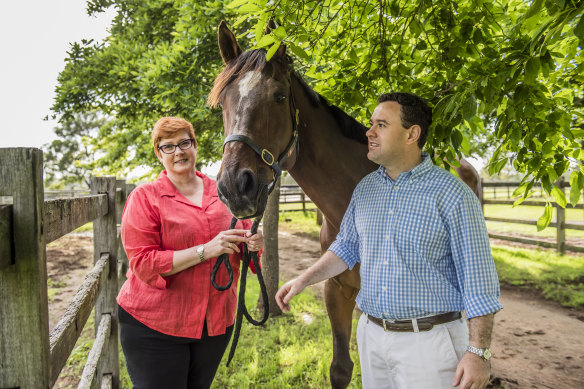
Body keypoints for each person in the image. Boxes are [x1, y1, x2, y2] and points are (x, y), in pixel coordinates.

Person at [276, 93, 502, 389]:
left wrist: (478, 353)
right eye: (371, 124)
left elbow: (480, 282)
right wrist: (304, 280)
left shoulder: (452, 194)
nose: (369, 132)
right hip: (372, 337)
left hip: (429, 343)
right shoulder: (366, 189)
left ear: (412, 134)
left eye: (381, 125)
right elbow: (345, 248)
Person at [117, 117, 264, 389]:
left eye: (184, 143)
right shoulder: (144, 197)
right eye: (168, 147)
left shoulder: (224, 192)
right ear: (158, 154)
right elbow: (143, 263)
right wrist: (205, 251)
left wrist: (254, 242)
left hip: (214, 322)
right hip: (155, 325)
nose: (178, 152)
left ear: (195, 145)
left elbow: (244, 241)